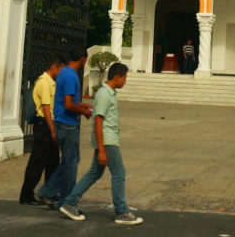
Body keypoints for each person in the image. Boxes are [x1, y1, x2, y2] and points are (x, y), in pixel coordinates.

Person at [58, 62, 143, 225]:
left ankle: (70, 203)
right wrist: (102, 149)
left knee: (94, 173)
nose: (125, 81)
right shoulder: (104, 94)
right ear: (117, 77)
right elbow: (98, 121)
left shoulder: (109, 93)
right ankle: (121, 211)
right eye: (124, 78)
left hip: (106, 139)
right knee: (119, 174)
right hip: (107, 140)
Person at [36, 47, 93, 210]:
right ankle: (66, 202)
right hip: (67, 125)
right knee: (71, 164)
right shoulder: (70, 76)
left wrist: (82, 105)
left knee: (70, 162)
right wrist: (83, 112)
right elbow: (68, 105)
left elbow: (67, 100)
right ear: (82, 59)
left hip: (63, 122)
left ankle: (49, 192)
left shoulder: (64, 73)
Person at [20, 55, 64, 205]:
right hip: (44, 125)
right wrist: (52, 130)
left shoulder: (51, 82)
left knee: (53, 161)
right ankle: (26, 195)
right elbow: (46, 107)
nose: (61, 73)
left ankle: (49, 193)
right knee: (37, 162)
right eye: (60, 69)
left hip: (49, 124)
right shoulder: (44, 82)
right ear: (54, 67)